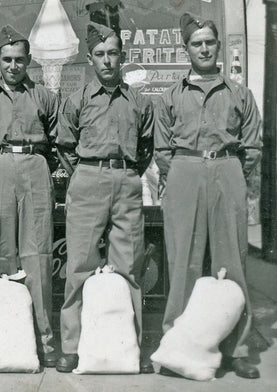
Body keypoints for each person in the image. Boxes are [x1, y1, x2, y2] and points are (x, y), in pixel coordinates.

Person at [154, 13, 262, 379]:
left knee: (232, 260)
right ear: (186, 49)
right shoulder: (171, 96)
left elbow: (252, 146)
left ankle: (239, 347)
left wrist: (229, 174)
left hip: (227, 170)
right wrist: (186, 174)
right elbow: (161, 149)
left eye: (209, 42)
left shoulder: (238, 93)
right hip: (184, 171)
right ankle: (175, 343)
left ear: (218, 46)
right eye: (196, 43)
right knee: (182, 260)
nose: (203, 48)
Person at [55, 22, 154, 373]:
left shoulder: (139, 101)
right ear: (89, 59)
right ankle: (71, 347)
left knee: (129, 267)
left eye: (113, 53)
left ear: (122, 57)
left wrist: (125, 173)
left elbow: (146, 147)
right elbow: (64, 145)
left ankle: (130, 347)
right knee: (80, 264)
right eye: (100, 55)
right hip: (87, 178)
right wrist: (86, 172)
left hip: (126, 178)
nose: (107, 61)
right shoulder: (78, 98)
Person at [0, 25, 59, 367]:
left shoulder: (44, 96)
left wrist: (36, 162)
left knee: (38, 256)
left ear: (29, 61)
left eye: (20, 60)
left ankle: (46, 343)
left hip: (35, 165)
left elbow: (57, 136)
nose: (13, 66)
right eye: (7, 59)